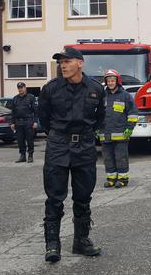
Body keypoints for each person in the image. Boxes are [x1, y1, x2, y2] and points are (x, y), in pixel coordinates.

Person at [38, 47, 105, 263]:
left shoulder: (95, 89)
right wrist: (59, 137)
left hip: (84, 147)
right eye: (61, 62)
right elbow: (44, 119)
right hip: (58, 145)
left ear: (80, 63)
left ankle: (81, 241)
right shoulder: (50, 89)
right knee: (54, 197)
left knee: (83, 197)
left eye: (67, 61)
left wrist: (85, 135)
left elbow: (100, 118)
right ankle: (52, 244)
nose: (63, 65)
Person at [99, 69, 137, 188]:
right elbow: (97, 113)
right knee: (108, 158)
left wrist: (130, 128)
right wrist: (96, 128)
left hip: (121, 134)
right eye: (108, 80)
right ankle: (111, 178)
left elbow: (133, 113)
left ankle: (122, 179)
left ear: (117, 81)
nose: (110, 82)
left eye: (112, 80)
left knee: (121, 157)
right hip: (105, 134)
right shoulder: (102, 96)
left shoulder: (125, 96)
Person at [10, 82, 38, 163]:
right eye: (19, 88)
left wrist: (35, 122)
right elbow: (13, 112)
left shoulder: (31, 97)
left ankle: (30, 155)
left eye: (22, 87)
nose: (20, 89)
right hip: (18, 122)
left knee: (30, 140)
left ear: (25, 88)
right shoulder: (15, 98)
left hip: (28, 122)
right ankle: (22, 156)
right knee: (20, 140)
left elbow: (36, 111)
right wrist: (12, 123)